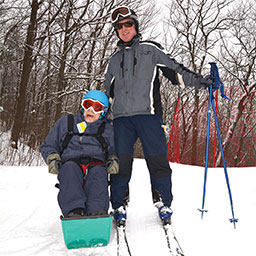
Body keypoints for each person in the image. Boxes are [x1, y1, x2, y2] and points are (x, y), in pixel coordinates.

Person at [104, 6, 212, 226]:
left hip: (149, 116)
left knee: (157, 160)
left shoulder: (150, 50)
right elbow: (108, 94)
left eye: (128, 25)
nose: (124, 29)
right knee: (120, 163)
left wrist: (201, 82)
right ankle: (119, 204)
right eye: (119, 27)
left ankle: (163, 201)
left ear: (135, 26)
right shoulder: (114, 61)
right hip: (122, 120)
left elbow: (176, 71)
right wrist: (99, 117)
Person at [41, 90, 119, 218]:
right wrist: (52, 158)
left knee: (98, 174)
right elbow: (49, 144)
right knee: (69, 170)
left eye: (97, 107)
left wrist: (113, 159)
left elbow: (114, 150)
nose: (91, 110)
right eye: (87, 104)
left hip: (96, 162)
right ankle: (74, 211)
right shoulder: (66, 123)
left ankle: (97, 212)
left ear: (104, 111)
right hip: (71, 161)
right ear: (82, 105)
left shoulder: (108, 129)